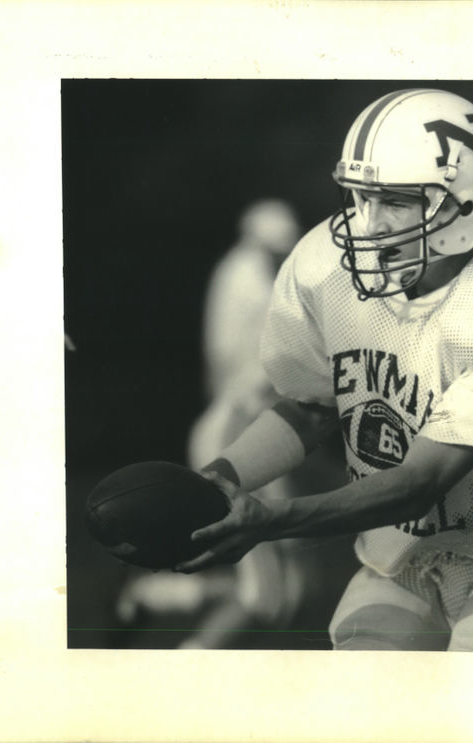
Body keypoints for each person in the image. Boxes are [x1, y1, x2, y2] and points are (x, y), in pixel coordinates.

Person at [175, 88, 473, 652]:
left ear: (462, 202)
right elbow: (312, 407)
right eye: (359, 196)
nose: (367, 224)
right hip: (398, 559)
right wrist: (220, 478)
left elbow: (418, 485)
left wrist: (270, 521)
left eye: (395, 200)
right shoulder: (324, 266)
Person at [117, 200, 350, 649]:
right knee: (268, 596)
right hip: (238, 436)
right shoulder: (262, 297)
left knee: (295, 588)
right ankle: (189, 663)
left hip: (237, 427)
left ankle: (156, 594)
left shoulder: (240, 282)